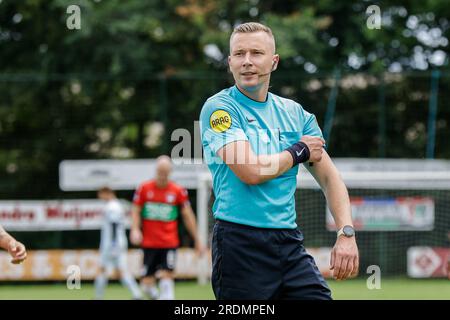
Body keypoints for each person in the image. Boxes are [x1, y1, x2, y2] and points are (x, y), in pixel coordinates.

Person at [199, 22, 359, 300]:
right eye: (239, 54)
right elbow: (250, 172)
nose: (247, 62)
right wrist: (297, 151)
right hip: (239, 244)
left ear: (273, 62)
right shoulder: (220, 108)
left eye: (256, 53)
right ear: (229, 62)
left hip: (288, 242)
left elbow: (330, 178)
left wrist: (346, 233)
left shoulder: (296, 114)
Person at [130, 155, 204, 300]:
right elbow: (135, 210)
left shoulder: (178, 191)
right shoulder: (144, 188)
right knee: (146, 284)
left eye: (165, 172)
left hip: (169, 242)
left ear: (170, 172)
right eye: (160, 172)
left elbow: (188, 216)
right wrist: (134, 228)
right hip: (149, 243)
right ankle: (157, 296)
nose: (162, 176)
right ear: (156, 171)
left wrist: (197, 239)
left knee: (167, 276)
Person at [94, 187, 143, 300]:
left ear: (108, 193)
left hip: (111, 244)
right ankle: (137, 295)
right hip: (116, 243)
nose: (99, 197)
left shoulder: (112, 206)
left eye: (100, 194)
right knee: (122, 271)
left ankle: (98, 297)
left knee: (103, 269)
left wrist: (113, 244)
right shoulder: (116, 205)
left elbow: (114, 225)